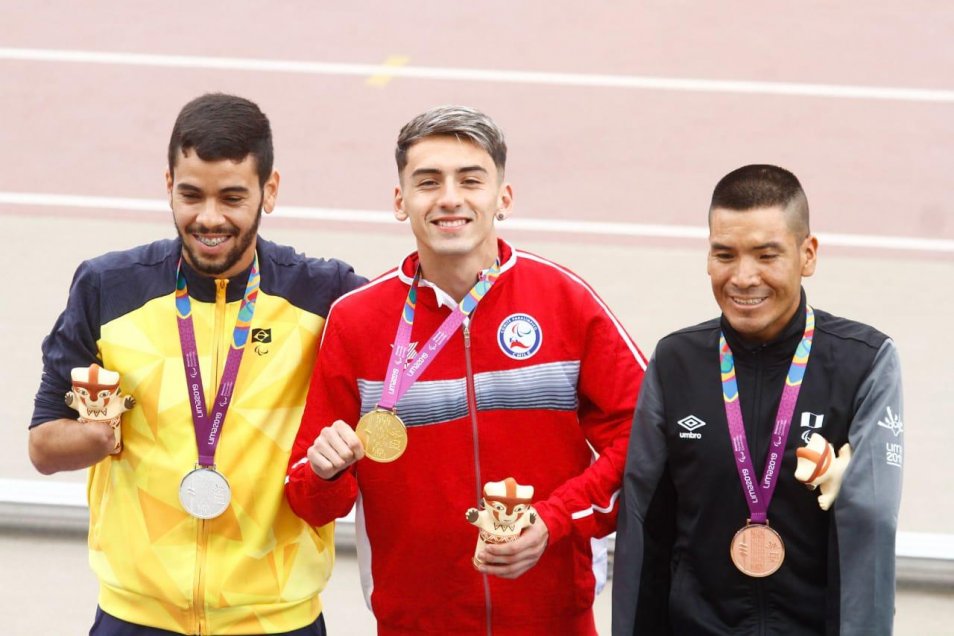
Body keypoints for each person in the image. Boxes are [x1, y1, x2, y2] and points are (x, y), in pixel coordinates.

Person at [285, 105, 647, 635]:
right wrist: (325, 470)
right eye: (427, 181)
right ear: (399, 200)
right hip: (416, 622)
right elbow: (309, 498)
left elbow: (640, 436)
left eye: (470, 180)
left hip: (553, 618)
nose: (449, 198)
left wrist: (555, 520)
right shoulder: (357, 321)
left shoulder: (565, 300)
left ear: (503, 197)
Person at [28, 93, 365, 635]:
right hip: (134, 615)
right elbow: (43, 446)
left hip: (276, 618)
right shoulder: (107, 287)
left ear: (269, 191)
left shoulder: (325, 294)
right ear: (168, 186)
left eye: (233, 197)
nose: (209, 218)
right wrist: (98, 436)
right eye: (191, 195)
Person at [611, 165, 904, 635]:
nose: (744, 277)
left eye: (767, 255)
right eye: (724, 254)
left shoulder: (864, 364)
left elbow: (869, 529)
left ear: (807, 254)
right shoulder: (676, 361)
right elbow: (645, 525)